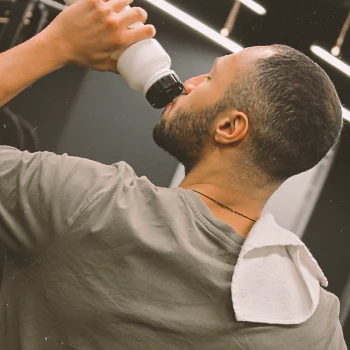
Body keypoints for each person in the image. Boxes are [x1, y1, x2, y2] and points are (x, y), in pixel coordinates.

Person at [0, 0, 347, 349]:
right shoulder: (314, 319)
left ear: (229, 127)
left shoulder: (89, 202)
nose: (190, 82)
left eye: (210, 78)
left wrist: (55, 44)